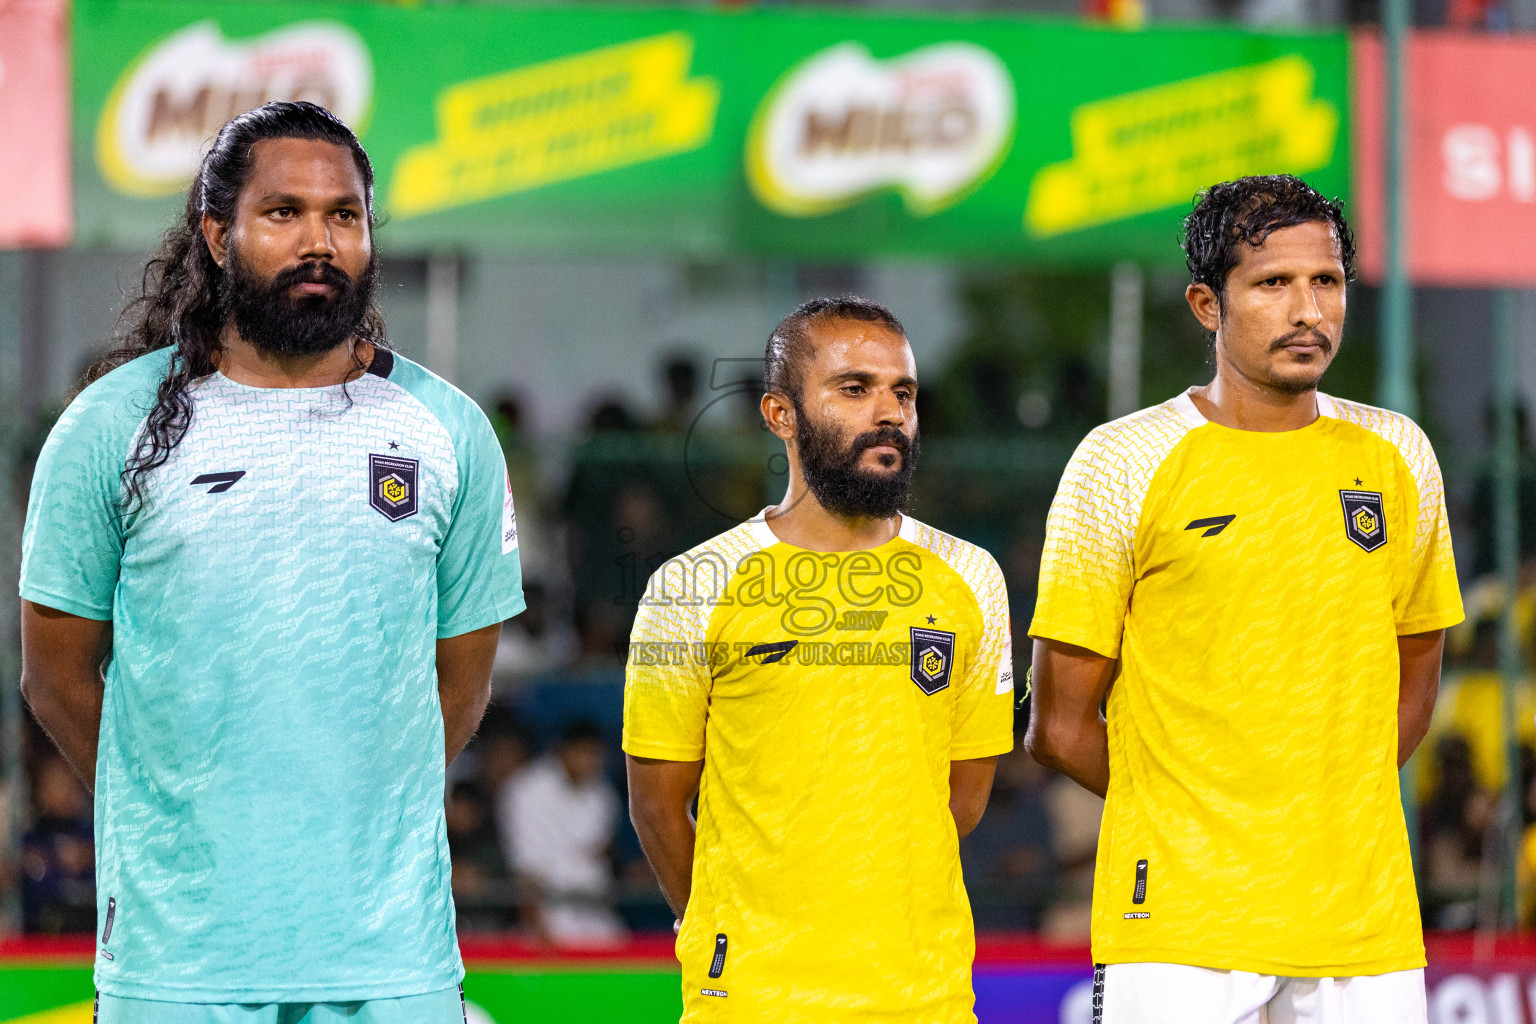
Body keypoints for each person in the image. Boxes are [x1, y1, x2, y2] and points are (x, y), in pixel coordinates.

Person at [18, 101, 524, 1023]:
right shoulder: (109, 427)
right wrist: (174, 806)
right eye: (283, 212)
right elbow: (53, 675)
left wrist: (358, 803)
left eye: (344, 215)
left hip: (391, 956)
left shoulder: (448, 431)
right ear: (218, 234)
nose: (319, 240)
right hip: (178, 960)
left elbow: (459, 687)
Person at [1026, 175, 1463, 1024]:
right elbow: (1061, 728)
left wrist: (1319, 806)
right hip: (1179, 922)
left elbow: (1414, 681)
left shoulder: (1399, 453)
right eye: (1273, 284)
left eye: (1326, 281)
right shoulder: (1121, 463)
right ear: (1205, 303)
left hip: (1359, 921)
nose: (1308, 309)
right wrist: (1198, 816)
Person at [624, 297, 1014, 1023]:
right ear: (780, 415)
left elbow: (957, 799)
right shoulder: (690, 586)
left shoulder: (973, 578)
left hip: (922, 998)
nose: (890, 412)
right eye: (854, 389)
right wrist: (721, 922)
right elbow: (656, 801)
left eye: (903, 392)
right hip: (750, 998)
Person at [500, 720, 624, 945]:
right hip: (547, 913)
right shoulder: (525, 790)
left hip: (596, 913)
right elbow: (524, 872)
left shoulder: (604, 796)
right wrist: (540, 931)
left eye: (596, 755)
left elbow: (601, 856)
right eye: (584, 753)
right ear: (564, 749)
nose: (590, 761)